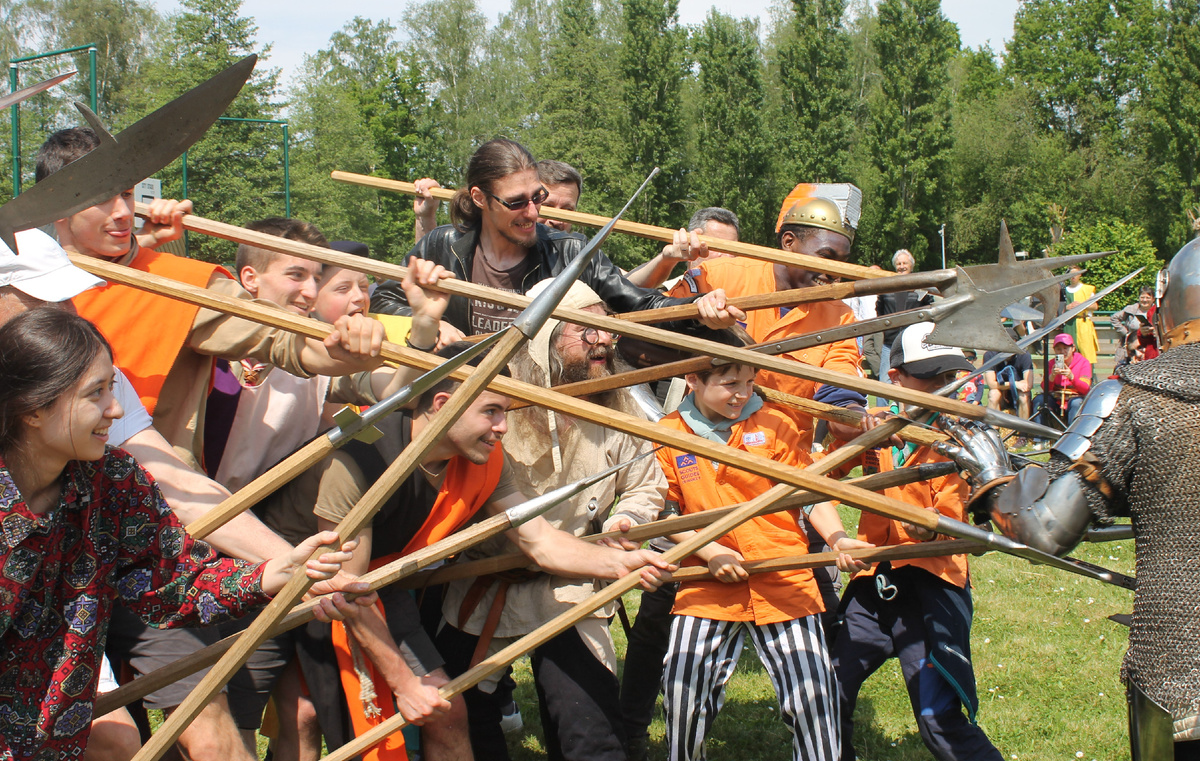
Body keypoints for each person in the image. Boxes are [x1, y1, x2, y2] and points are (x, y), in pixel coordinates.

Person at [0, 307, 363, 759]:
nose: (115, 410)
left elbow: (171, 584)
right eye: (95, 394)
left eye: (112, 389)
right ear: (34, 409)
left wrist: (274, 573)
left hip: (53, 742)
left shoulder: (112, 482)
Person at [936, 235, 1200, 759]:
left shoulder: (1139, 398)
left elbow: (1044, 529)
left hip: (1183, 667)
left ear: (1167, 300)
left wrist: (993, 477)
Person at [36, 127, 388, 470]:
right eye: (101, 198)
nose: (123, 212)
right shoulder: (24, 285)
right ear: (57, 206)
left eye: (127, 194)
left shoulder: (182, 283)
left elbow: (284, 340)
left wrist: (345, 351)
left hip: (150, 493)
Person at [435, 278, 671, 761]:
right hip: (484, 581)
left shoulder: (616, 402)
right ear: (545, 338)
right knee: (456, 719)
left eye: (607, 330)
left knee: (591, 735)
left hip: (571, 583)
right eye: (587, 331)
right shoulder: (499, 406)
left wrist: (624, 519)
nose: (603, 341)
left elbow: (646, 481)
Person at [655, 361, 868, 761]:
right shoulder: (667, 433)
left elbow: (810, 491)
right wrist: (711, 550)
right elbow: (665, 513)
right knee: (683, 689)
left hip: (782, 574)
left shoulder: (775, 424)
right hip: (707, 581)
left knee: (813, 695)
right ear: (693, 379)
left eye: (750, 382)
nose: (742, 393)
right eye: (729, 383)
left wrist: (837, 538)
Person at [370, 137, 740, 341]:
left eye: (537, 198)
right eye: (516, 203)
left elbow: (639, 304)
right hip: (464, 398)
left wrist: (698, 312)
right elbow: (383, 298)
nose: (533, 213)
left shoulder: (572, 250)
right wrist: (427, 322)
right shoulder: (441, 244)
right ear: (480, 198)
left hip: (541, 402)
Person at [832, 323, 1004, 761]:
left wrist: (925, 523)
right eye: (931, 377)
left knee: (937, 718)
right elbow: (829, 475)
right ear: (897, 379)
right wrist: (860, 437)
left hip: (933, 580)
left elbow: (942, 525)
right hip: (876, 578)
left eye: (950, 377)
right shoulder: (883, 424)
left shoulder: (961, 440)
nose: (944, 388)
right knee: (827, 689)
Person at [667, 184, 867, 452]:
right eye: (826, 257)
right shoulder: (719, 275)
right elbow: (657, 323)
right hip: (704, 446)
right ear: (788, 243)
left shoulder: (840, 317)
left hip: (782, 458)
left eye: (842, 262)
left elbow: (839, 393)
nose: (835, 272)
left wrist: (861, 419)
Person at [626, 207, 740, 290]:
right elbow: (623, 292)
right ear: (692, 243)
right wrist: (666, 259)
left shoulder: (748, 292)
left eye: (731, 249)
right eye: (717, 247)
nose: (727, 256)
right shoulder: (668, 292)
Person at [876, 249, 934, 402]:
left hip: (913, 342)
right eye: (899, 263)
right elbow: (879, 310)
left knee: (913, 379)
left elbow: (930, 311)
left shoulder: (921, 286)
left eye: (904, 263)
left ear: (911, 265)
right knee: (885, 381)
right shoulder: (886, 286)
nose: (901, 266)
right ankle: (883, 414)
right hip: (890, 343)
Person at [1035, 334, 1091, 425]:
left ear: (1073, 348)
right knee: (1040, 400)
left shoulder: (1083, 362)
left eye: (1065, 348)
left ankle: (1071, 436)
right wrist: (1052, 377)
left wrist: (1072, 377)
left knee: (1076, 403)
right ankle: (1040, 436)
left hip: (1074, 398)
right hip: (1056, 399)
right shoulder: (1051, 363)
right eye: (1059, 349)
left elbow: (1085, 389)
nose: (1062, 352)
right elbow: (1045, 389)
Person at [982, 343, 1035, 419]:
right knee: (993, 394)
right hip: (1001, 393)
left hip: (1018, 392)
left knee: (1024, 395)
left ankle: (1023, 428)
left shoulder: (1024, 355)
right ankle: (993, 428)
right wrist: (1014, 384)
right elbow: (991, 384)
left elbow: (1028, 385)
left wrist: (1014, 386)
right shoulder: (990, 355)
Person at [1111, 287, 1159, 365]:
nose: (1145, 300)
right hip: (1132, 346)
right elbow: (1114, 318)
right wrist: (1125, 332)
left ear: (1153, 299)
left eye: (1148, 298)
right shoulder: (1131, 310)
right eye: (1142, 297)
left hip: (1149, 346)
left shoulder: (1157, 312)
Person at [1064, 265, 1099, 365]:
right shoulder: (1064, 290)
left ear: (1079, 274)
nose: (1073, 277)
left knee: (1086, 353)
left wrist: (1082, 306)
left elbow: (1095, 306)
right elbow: (1059, 307)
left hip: (1083, 323)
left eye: (1075, 274)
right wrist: (1066, 308)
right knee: (1068, 353)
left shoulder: (1087, 289)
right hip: (1069, 324)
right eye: (1071, 274)